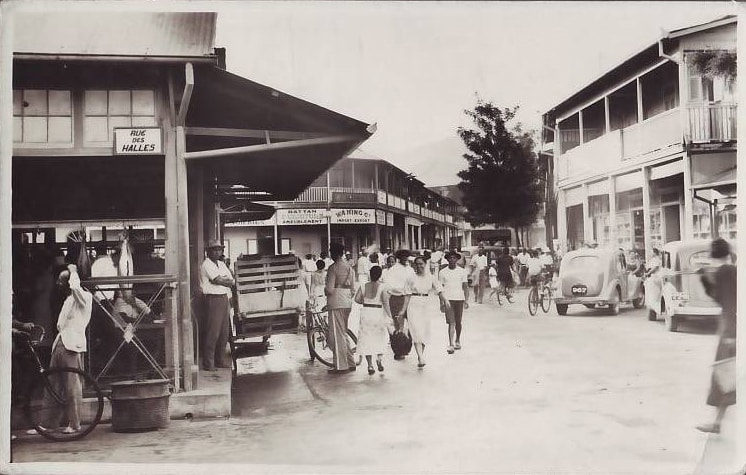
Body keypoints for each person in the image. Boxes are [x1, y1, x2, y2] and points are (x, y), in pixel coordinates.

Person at [36, 264, 92, 435]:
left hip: (72, 346)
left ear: (69, 282)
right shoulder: (68, 300)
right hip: (60, 343)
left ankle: (74, 424)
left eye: (62, 282)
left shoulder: (84, 297)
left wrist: (74, 272)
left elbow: (76, 287)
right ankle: (48, 423)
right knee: (53, 383)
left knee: (71, 386)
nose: (58, 284)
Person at [696, 238, 736, 434]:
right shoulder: (729, 270)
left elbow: (727, 302)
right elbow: (719, 297)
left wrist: (729, 334)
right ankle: (717, 423)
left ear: (713, 255)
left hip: (731, 328)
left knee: (723, 376)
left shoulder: (725, 272)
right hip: (731, 327)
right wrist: (704, 278)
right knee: (726, 376)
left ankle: (717, 423)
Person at [199, 239, 235, 371]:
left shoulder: (221, 263)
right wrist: (223, 280)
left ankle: (219, 360)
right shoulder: (206, 264)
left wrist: (223, 281)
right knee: (213, 332)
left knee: (224, 332)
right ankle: (208, 363)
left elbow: (231, 280)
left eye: (219, 249)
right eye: (213, 249)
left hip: (224, 297)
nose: (217, 252)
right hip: (213, 299)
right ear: (208, 252)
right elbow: (218, 280)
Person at [408, 256, 449, 368]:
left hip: (425, 305)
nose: (419, 266)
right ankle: (421, 357)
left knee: (424, 332)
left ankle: (420, 354)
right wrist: (403, 310)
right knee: (416, 330)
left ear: (425, 264)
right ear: (414, 266)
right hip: (413, 304)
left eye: (421, 264)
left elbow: (439, 289)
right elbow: (406, 294)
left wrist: (445, 299)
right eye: (417, 264)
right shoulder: (411, 278)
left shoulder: (431, 277)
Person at [324, 242, 357, 373]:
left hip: (336, 301)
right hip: (347, 301)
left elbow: (330, 289)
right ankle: (350, 362)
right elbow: (353, 289)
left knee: (337, 336)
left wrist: (325, 290)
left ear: (334, 253)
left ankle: (340, 366)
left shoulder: (333, 268)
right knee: (343, 333)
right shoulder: (349, 268)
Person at [353, 265, 391, 375]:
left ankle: (369, 365)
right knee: (380, 337)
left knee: (366, 338)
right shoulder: (383, 287)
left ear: (370, 274)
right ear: (380, 275)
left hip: (366, 312)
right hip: (377, 313)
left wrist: (365, 303)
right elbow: (385, 303)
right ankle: (379, 358)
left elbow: (356, 299)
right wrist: (390, 316)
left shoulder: (363, 285)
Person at [381, 249, 416, 360]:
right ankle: (398, 350)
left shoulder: (410, 270)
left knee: (411, 323)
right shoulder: (392, 270)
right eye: (403, 257)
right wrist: (402, 289)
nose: (405, 259)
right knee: (397, 324)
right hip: (396, 298)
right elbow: (389, 287)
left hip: (409, 298)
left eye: (407, 257)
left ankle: (406, 347)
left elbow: (414, 284)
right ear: (399, 258)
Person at [438, 250, 469, 353]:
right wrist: (441, 303)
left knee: (458, 322)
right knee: (451, 322)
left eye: (454, 258)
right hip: (448, 300)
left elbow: (465, 286)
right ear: (447, 259)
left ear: (457, 259)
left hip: (459, 299)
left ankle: (457, 340)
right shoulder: (442, 272)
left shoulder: (462, 271)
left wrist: (466, 300)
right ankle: (451, 344)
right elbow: (440, 289)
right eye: (450, 258)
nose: (452, 260)